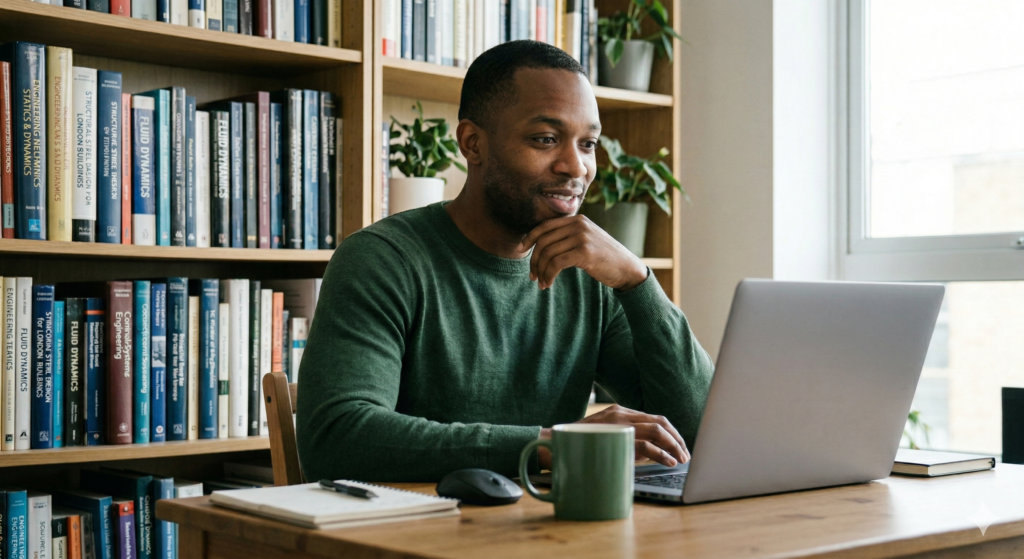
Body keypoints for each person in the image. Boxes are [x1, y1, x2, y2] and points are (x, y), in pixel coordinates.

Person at [296, 40, 714, 482]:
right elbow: (337, 439)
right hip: (407, 535)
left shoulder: (589, 273)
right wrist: (548, 444)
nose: (576, 167)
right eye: (546, 139)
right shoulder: (383, 260)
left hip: (549, 530)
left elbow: (699, 429)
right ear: (473, 143)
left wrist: (637, 281)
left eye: (588, 143)